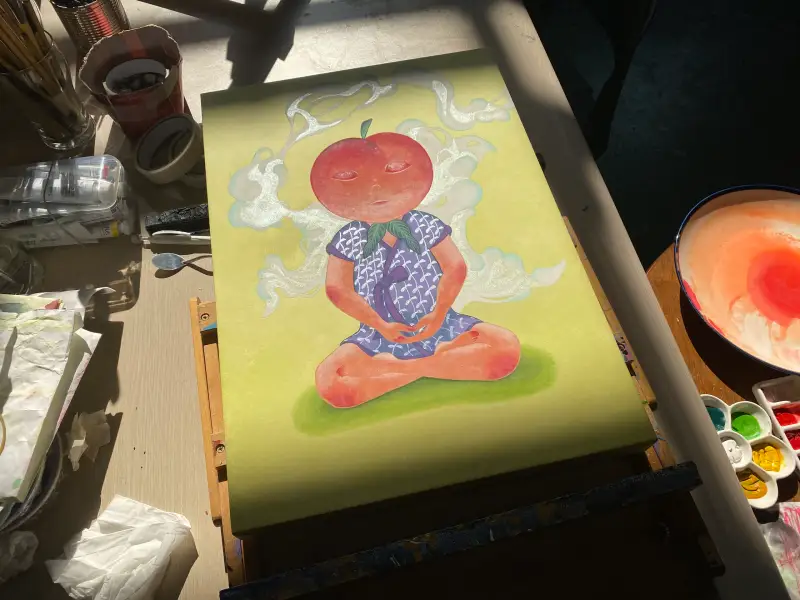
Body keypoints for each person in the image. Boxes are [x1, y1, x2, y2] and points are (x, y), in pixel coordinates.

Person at [310, 120, 521, 408]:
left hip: (442, 325)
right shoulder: (348, 238)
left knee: (505, 347)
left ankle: (397, 370)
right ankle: (440, 365)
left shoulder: (424, 224)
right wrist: (380, 325)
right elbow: (338, 289)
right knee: (330, 383)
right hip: (376, 335)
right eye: (348, 177)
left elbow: (455, 267)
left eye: (394, 169)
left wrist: (438, 315)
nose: (376, 187)